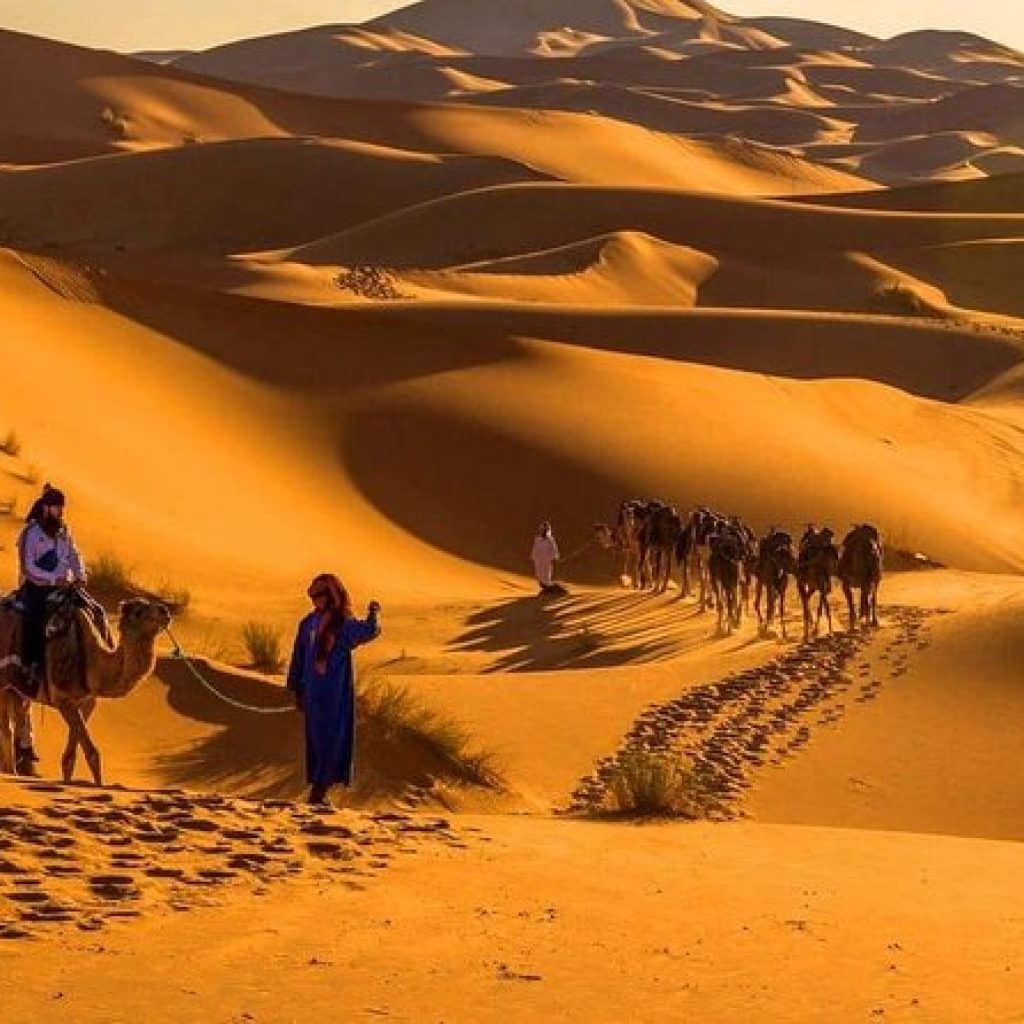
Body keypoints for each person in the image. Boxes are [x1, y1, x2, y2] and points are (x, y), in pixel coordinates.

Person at [286, 574, 380, 805]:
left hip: (335, 695)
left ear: (331, 596)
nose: (314, 600)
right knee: (319, 742)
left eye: (318, 595)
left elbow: (369, 631)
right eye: (311, 595)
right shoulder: (307, 623)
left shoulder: (342, 624)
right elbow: (298, 657)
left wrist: (373, 615)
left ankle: (319, 793)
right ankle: (318, 793)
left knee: (332, 741)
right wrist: (297, 688)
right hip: (314, 695)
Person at [14, 484, 87, 773]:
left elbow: (74, 556)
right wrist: (51, 580)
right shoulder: (30, 534)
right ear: (45, 508)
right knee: (32, 621)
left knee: (89, 612)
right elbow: (28, 567)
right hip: (36, 589)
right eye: (55, 507)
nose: (59, 512)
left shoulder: (64, 532)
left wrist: (80, 575)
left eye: (61, 508)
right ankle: (31, 665)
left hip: (63, 588)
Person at [530, 521, 561, 593]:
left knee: (546, 575)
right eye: (542, 529)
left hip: (547, 560)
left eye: (544, 530)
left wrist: (555, 556)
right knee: (539, 574)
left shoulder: (550, 540)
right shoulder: (537, 539)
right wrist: (533, 556)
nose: (542, 531)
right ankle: (547, 587)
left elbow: (554, 549)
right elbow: (535, 548)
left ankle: (550, 589)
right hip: (538, 560)